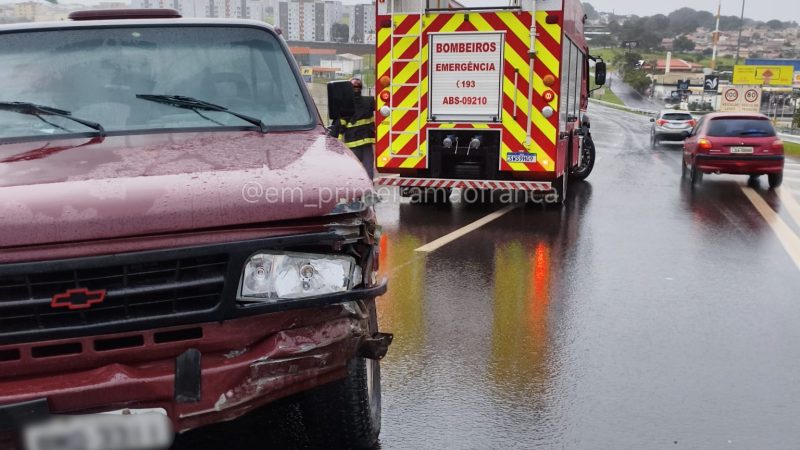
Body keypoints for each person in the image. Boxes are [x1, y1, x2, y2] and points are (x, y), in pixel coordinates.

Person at [332, 78, 376, 179]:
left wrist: (335, 144)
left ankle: (356, 187)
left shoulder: (344, 105)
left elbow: (340, 127)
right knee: (368, 171)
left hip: (352, 145)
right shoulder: (369, 101)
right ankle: (368, 187)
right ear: (361, 88)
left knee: (353, 172)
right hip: (367, 144)